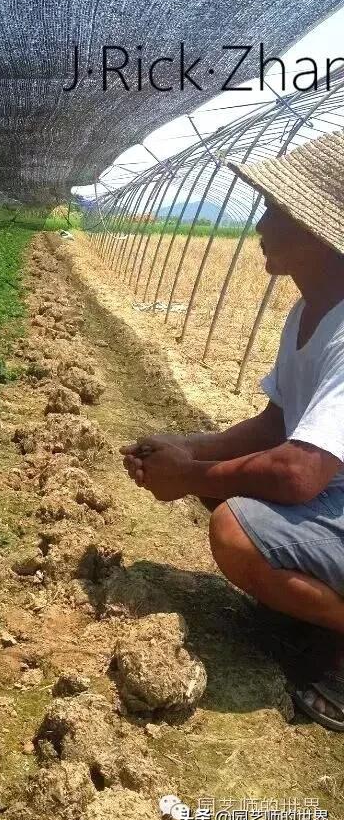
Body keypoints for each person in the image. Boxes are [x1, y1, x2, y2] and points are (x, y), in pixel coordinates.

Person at [120, 129, 344, 731]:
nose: (260, 225)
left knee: (234, 525)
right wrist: (186, 450)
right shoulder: (308, 310)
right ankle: (312, 613)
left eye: (276, 210)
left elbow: (298, 473)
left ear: (319, 234)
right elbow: (277, 420)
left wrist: (189, 475)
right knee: (226, 489)